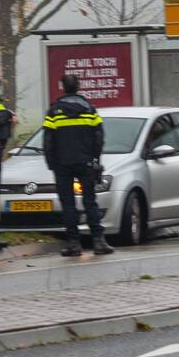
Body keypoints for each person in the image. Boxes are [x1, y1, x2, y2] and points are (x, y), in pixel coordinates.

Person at [42, 74, 114, 257]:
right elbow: (99, 137)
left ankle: (74, 244)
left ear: (62, 87)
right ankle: (98, 241)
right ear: (79, 87)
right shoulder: (89, 109)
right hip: (85, 163)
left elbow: (48, 140)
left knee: (68, 204)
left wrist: (51, 163)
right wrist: (95, 159)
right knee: (90, 201)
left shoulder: (53, 112)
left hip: (62, 164)